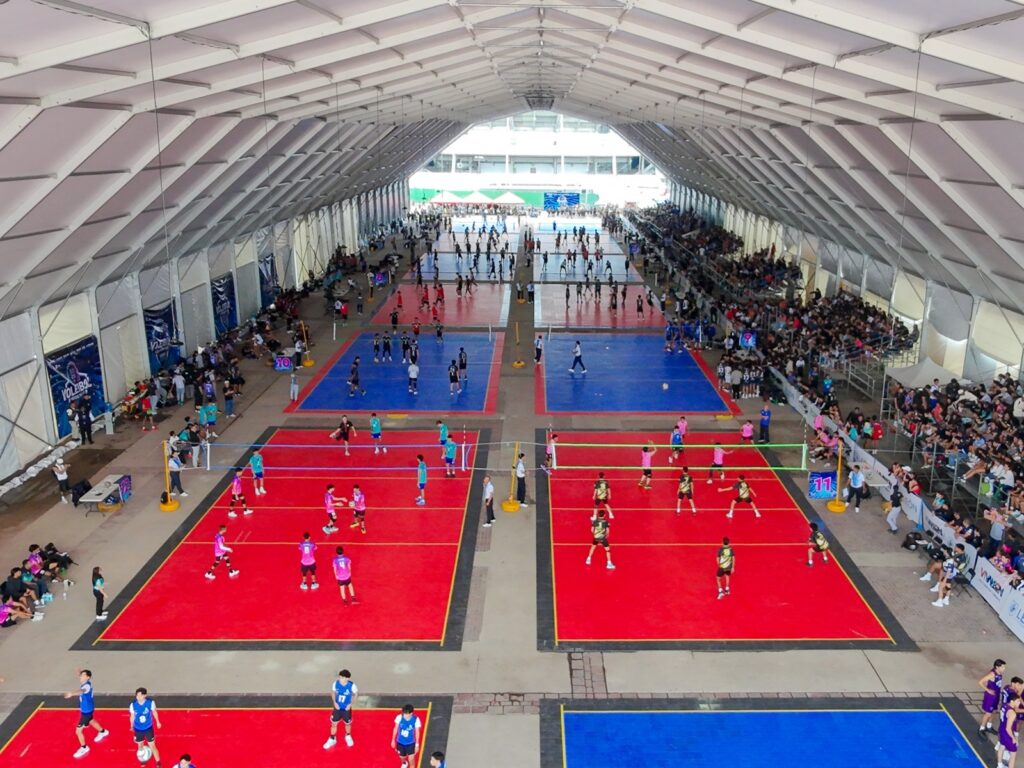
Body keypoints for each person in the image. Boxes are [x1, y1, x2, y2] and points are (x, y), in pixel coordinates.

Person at [65, 669, 109, 758]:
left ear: (88, 677)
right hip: (88, 709)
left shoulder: (87, 686)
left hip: (86, 711)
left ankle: (84, 748)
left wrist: (72, 694)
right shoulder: (86, 682)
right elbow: (83, 681)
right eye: (81, 675)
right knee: (91, 720)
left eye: (83, 675)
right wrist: (80, 673)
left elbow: (82, 691)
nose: (81, 676)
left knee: (78, 731)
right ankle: (103, 732)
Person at [324, 669, 358, 749]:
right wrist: (334, 703)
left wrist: (350, 704)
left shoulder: (352, 685)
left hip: (346, 709)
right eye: (340, 677)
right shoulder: (335, 683)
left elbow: (356, 694)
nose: (340, 679)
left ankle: (348, 736)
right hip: (337, 708)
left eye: (342, 677)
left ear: (347, 678)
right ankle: (332, 738)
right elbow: (333, 692)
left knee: (347, 723)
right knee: (334, 724)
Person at [129, 687, 162, 766]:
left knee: (152, 746)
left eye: (140, 695)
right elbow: (132, 716)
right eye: (137, 695)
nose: (138, 697)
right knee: (140, 746)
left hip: (148, 728)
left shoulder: (150, 703)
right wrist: (131, 725)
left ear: (145, 695)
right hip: (138, 729)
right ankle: (143, 760)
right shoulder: (133, 705)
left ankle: (158, 762)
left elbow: (154, 712)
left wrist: (158, 722)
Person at [996, 678, 1024, 768]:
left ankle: (999, 765)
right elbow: (1008, 728)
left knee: (1002, 746)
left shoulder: (1004, 705)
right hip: (1008, 733)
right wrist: (1013, 738)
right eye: (1018, 701)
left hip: (1002, 729)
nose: (1019, 703)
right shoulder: (1012, 713)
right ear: (1012, 701)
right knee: (1013, 755)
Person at [980, 660, 1007, 735]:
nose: (1004, 668)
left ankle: (989, 726)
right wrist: (988, 690)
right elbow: (980, 682)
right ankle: (981, 728)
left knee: (994, 711)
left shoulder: (999, 673)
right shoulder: (992, 674)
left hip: (996, 695)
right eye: (1002, 667)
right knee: (988, 713)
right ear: (997, 667)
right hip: (990, 697)